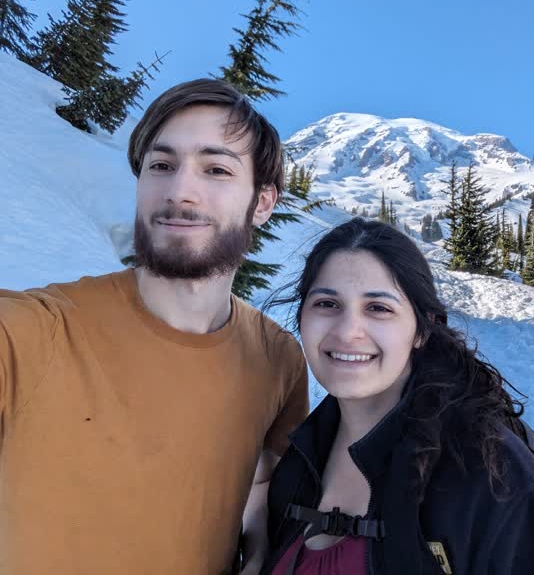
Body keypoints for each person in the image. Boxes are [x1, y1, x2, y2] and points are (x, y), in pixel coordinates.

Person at [0, 78, 309, 575]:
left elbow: (262, 477)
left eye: (216, 169)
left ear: (263, 202)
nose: (180, 191)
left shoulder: (278, 358)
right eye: (161, 166)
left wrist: (258, 544)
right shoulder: (37, 329)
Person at [260, 218, 534, 574]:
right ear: (302, 316)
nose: (348, 332)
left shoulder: (492, 475)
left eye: (379, 308)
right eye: (327, 303)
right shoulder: (298, 463)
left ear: (421, 329)